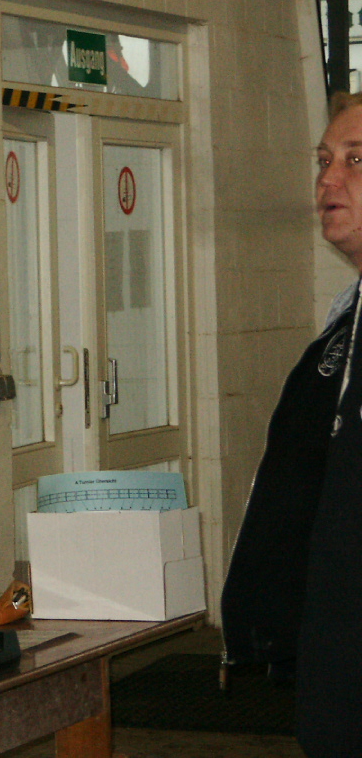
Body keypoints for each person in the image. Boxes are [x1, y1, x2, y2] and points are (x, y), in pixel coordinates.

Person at [222, 91, 362, 756]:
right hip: (332, 651)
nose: (328, 180)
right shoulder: (341, 327)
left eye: (356, 160)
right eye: (324, 160)